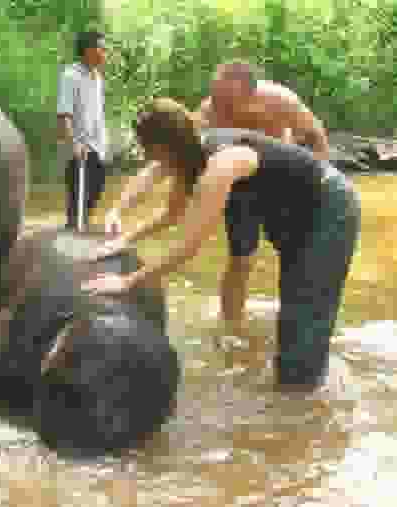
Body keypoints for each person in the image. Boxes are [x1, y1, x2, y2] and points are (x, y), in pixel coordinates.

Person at [84, 98, 360, 392]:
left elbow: (187, 248)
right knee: (295, 315)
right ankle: (301, 386)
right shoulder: (189, 156)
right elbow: (170, 215)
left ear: (163, 148)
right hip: (295, 213)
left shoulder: (219, 166)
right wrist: (125, 238)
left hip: (328, 208)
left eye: (147, 150)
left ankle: (307, 407)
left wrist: (127, 282)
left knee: (305, 320)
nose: (146, 158)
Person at [196, 59, 330, 160]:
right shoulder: (207, 112)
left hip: (281, 159)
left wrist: (322, 176)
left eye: (229, 99)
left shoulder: (281, 101)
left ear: (249, 95)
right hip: (237, 165)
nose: (221, 105)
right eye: (217, 94)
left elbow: (314, 135)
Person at [57, 30, 110, 230]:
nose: (105, 52)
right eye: (101, 48)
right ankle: (72, 237)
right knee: (77, 203)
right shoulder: (70, 76)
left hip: (97, 147)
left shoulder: (97, 78)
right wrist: (74, 144)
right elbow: (64, 114)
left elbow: (97, 113)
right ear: (88, 50)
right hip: (78, 149)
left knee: (93, 195)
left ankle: (82, 231)